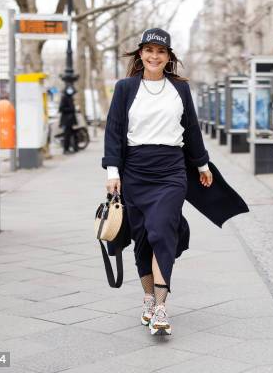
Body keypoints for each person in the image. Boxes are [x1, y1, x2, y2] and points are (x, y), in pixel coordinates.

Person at [102, 28, 248, 335]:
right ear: (140, 53)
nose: (154, 56)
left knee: (162, 230)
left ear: (169, 58)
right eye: (149, 50)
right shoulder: (126, 87)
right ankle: (147, 298)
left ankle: (160, 307)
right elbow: (114, 132)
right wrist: (112, 172)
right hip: (135, 172)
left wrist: (202, 164)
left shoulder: (180, 89)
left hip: (171, 171)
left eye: (161, 52)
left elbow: (192, 129)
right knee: (142, 237)